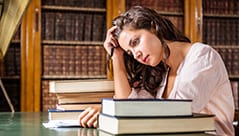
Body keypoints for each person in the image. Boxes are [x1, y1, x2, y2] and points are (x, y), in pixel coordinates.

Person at [78, 6, 235, 135]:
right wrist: (117, 56)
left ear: (153, 27)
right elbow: (127, 103)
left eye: (136, 42)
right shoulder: (161, 71)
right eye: (130, 53)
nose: (136, 54)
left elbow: (176, 115)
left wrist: (109, 109)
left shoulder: (202, 56)